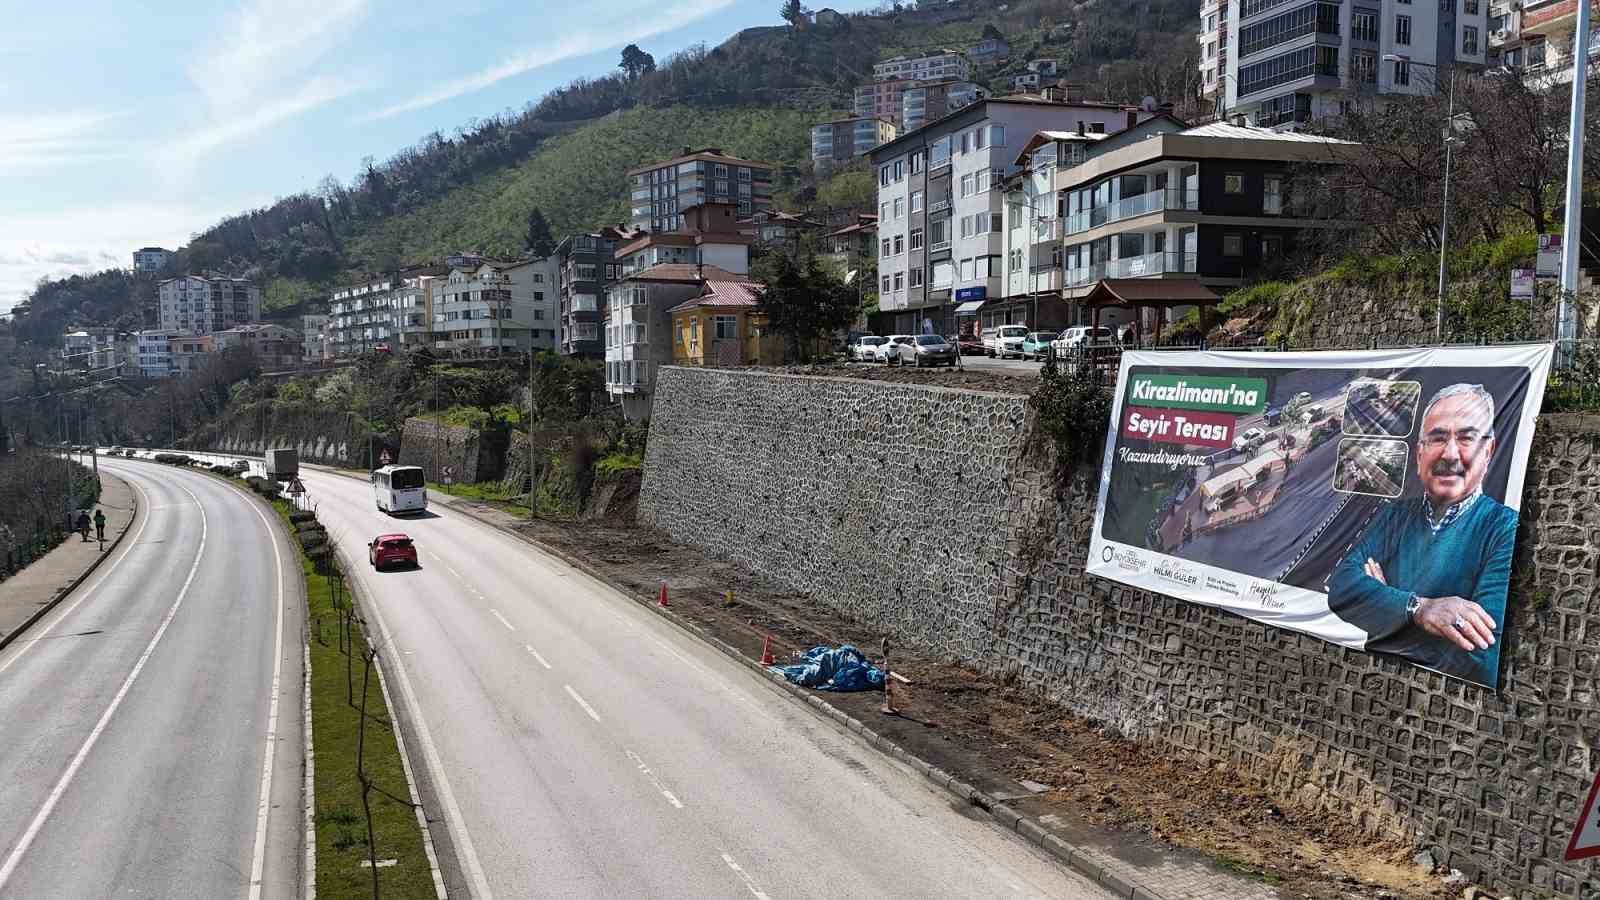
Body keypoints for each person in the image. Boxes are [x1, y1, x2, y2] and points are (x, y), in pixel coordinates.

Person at [1326, 383, 1518, 685]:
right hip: (1373, 682)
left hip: (1441, 703)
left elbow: (1482, 656)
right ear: (1419, 454)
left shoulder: (1504, 528)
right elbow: (1341, 588)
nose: (1450, 453)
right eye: (1437, 438)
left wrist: (1384, 604)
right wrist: (1421, 609)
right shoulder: (1395, 515)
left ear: (1489, 450)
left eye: (1466, 438)